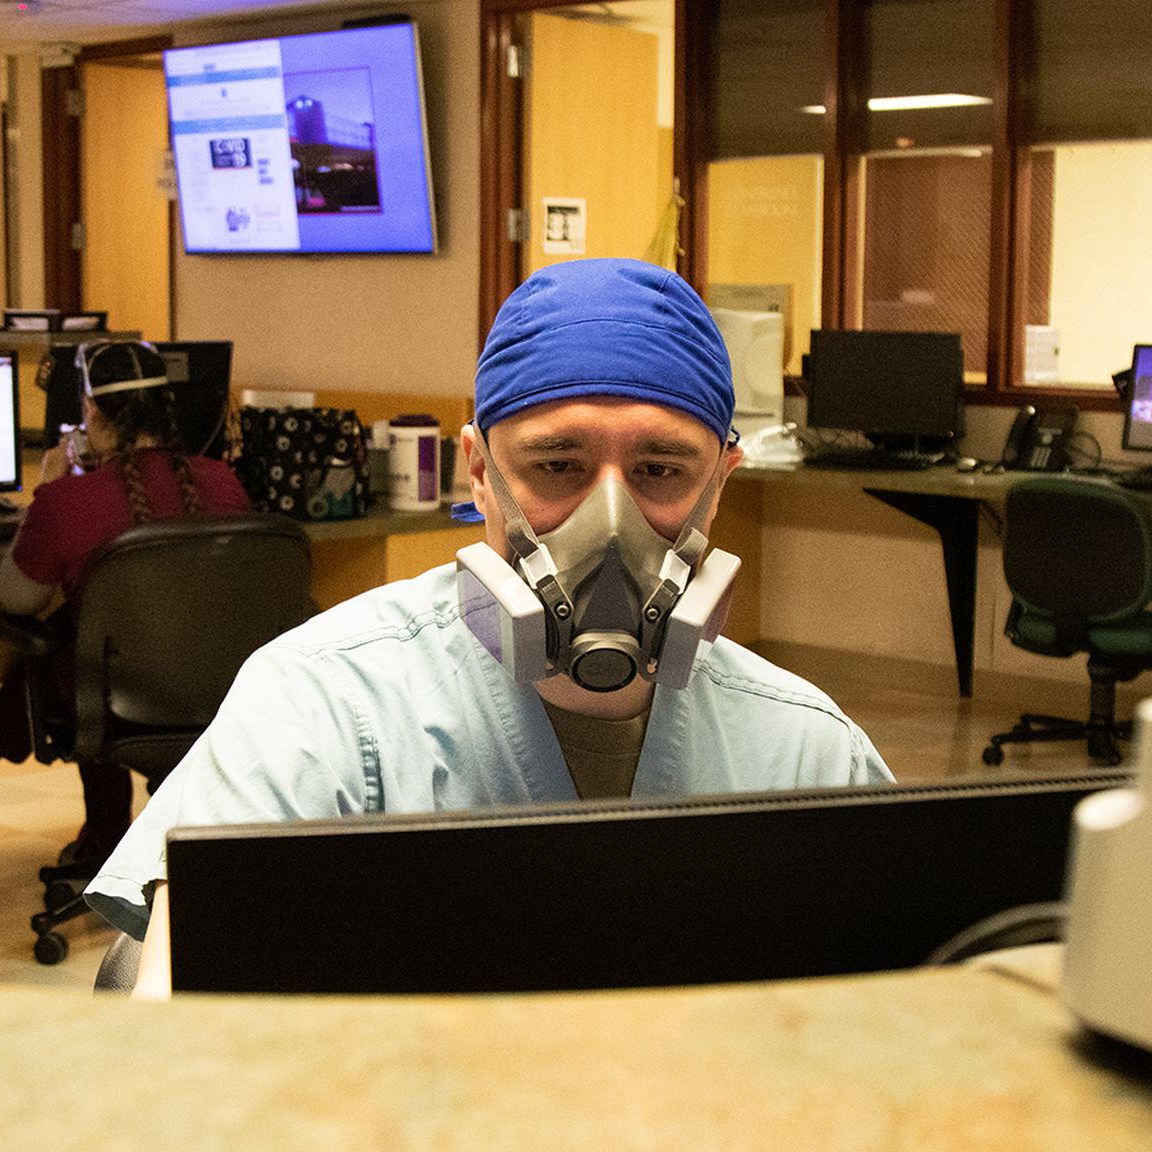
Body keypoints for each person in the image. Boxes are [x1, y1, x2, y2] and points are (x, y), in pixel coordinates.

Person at [86, 258, 892, 991]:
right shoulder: (321, 707)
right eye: (556, 465)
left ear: (720, 481)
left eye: (660, 470)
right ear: (478, 470)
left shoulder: (806, 750)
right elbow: (182, 1047)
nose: (611, 521)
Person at [0, 340, 251, 867]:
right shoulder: (222, 481)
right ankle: (1, 734)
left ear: (90, 411)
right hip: (221, 688)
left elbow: (16, 597)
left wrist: (46, 489)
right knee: (103, 640)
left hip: (115, 700)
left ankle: (92, 828)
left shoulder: (68, 501)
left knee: (79, 641)